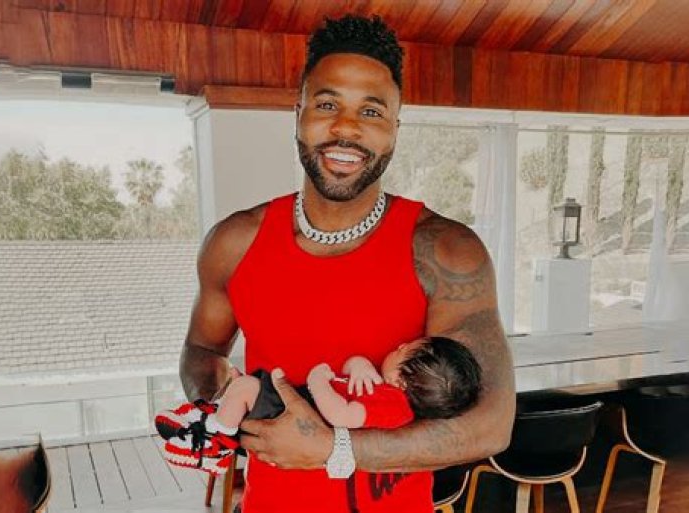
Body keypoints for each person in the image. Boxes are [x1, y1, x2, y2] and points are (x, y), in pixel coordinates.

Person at [179, 14, 515, 513]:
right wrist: (224, 409)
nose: (346, 127)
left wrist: (334, 449)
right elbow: (202, 349)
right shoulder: (233, 242)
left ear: (394, 130)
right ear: (298, 114)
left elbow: (490, 425)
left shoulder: (445, 250)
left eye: (372, 111)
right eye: (327, 103)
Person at [157, 336, 481, 472]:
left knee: (244, 388)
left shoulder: (394, 407)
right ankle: (212, 424)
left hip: (298, 412)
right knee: (242, 389)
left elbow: (342, 415)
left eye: (404, 349)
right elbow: (353, 368)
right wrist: (359, 366)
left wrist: (317, 381)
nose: (399, 344)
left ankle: (212, 439)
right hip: (298, 404)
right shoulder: (385, 389)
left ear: (402, 382)